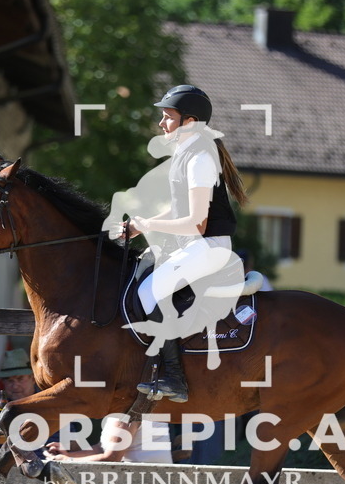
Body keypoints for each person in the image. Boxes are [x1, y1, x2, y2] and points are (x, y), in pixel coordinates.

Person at [105, 84, 249, 403]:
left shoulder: (200, 159)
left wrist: (149, 224)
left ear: (188, 121)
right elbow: (179, 209)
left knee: (149, 291)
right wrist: (139, 227)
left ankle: (173, 376)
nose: (161, 123)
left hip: (208, 246)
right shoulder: (188, 154)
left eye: (168, 117)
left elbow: (196, 222)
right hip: (196, 245)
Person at [45, 415, 172, 464]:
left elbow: (112, 457)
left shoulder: (130, 410)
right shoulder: (119, 411)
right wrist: (67, 455)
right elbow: (101, 449)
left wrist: (68, 460)